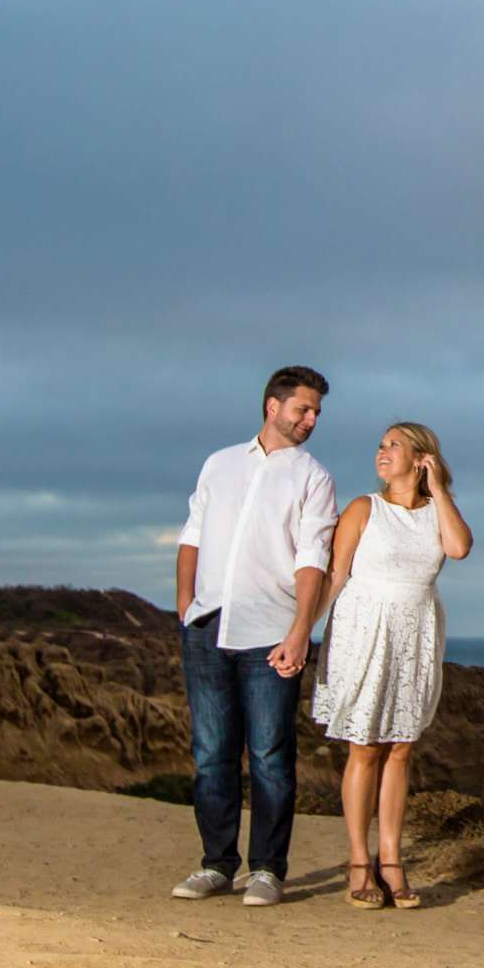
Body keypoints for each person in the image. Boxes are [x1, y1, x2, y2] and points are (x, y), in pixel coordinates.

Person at [169, 366, 339, 908]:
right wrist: (184, 607)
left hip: (272, 633)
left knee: (269, 755)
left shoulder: (314, 477)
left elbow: (313, 559)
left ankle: (268, 870)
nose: (311, 420)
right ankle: (216, 865)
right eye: (303, 409)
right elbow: (191, 536)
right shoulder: (219, 464)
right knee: (211, 754)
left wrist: (299, 631)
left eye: (315, 413)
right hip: (207, 626)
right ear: (273, 405)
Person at [311, 421, 473, 909]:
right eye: (380, 445)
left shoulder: (436, 510)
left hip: (416, 633)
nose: (382, 453)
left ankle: (392, 862)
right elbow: (336, 575)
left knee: (401, 748)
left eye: (394, 445)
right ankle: (360, 864)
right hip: (364, 632)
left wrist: (438, 488)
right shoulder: (364, 508)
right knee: (365, 747)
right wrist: (301, 634)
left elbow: (459, 548)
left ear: (422, 457)